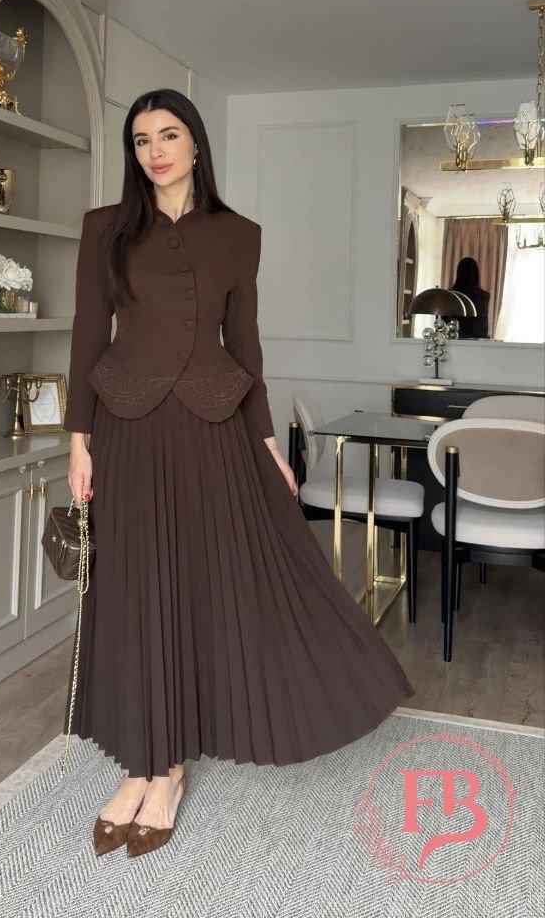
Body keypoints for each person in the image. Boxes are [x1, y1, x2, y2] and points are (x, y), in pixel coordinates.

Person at [63, 88, 415, 859]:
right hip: (125, 426)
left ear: (196, 144)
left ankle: (169, 773)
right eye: (141, 139)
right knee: (133, 590)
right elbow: (89, 332)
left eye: (169, 135)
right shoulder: (104, 228)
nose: (155, 151)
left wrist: (268, 443)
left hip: (212, 429)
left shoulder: (239, 235)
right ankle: (139, 763)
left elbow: (246, 347)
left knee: (199, 585)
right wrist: (77, 440)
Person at [449, 256, 491, 339]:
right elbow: (482, 325)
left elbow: (445, 322)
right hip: (476, 340)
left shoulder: (450, 294)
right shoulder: (483, 295)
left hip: (453, 339)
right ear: (476, 274)